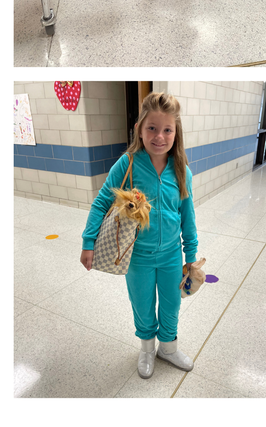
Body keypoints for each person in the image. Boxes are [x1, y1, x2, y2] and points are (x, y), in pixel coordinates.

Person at [79, 92, 199, 380]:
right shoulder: (128, 164)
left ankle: (168, 348)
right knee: (143, 304)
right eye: (152, 129)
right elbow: (101, 203)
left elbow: (187, 215)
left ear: (176, 132)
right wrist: (88, 241)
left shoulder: (182, 171)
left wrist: (191, 256)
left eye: (167, 129)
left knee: (172, 303)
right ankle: (147, 348)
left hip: (171, 256)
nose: (160, 136)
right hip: (137, 257)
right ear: (140, 130)